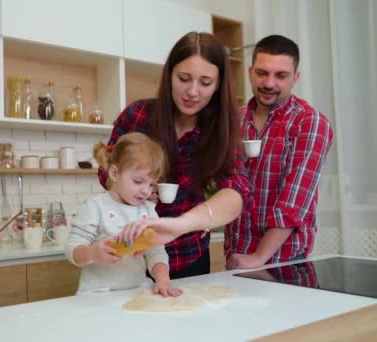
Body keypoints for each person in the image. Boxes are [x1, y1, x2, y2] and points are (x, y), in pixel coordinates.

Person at [102, 31, 252, 279]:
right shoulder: (138, 116)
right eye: (184, 78)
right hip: (132, 254)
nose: (192, 91)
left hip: (189, 257)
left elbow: (236, 192)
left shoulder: (218, 130)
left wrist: (179, 225)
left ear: (217, 86)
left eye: (205, 83)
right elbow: (106, 171)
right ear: (169, 75)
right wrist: (135, 187)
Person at [225, 34, 334, 270]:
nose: (269, 83)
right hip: (236, 258)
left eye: (281, 75)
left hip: (284, 263)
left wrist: (257, 258)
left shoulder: (310, 122)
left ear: (295, 78)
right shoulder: (234, 119)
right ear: (250, 72)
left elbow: (293, 202)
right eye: (262, 73)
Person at [64, 132, 182, 297]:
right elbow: (71, 250)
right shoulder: (95, 207)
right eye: (138, 181)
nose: (145, 191)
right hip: (97, 294)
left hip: (137, 291)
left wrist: (162, 279)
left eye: (151, 185)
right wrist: (92, 253)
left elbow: (156, 251)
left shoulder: (148, 211)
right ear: (115, 173)